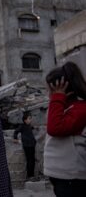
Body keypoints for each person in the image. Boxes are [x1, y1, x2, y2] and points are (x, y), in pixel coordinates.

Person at [44, 61, 86, 197]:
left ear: (62, 89)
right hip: (63, 177)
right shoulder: (62, 107)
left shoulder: (81, 108)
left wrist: (57, 98)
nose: (48, 94)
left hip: (72, 179)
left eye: (50, 90)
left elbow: (55, 128)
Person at [13, 112, 37, 181]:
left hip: (32, 145)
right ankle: (30, 176)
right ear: (25, 120)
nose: (30, 120)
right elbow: (16, 131)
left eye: (30, 118)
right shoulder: (22, 126)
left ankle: (32, 175)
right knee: (29, 160)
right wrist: (15, 138)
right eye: (29, 119)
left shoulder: (29, 126)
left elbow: (31, 128)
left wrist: (35, 127)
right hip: (27, 145)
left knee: (32, 160)